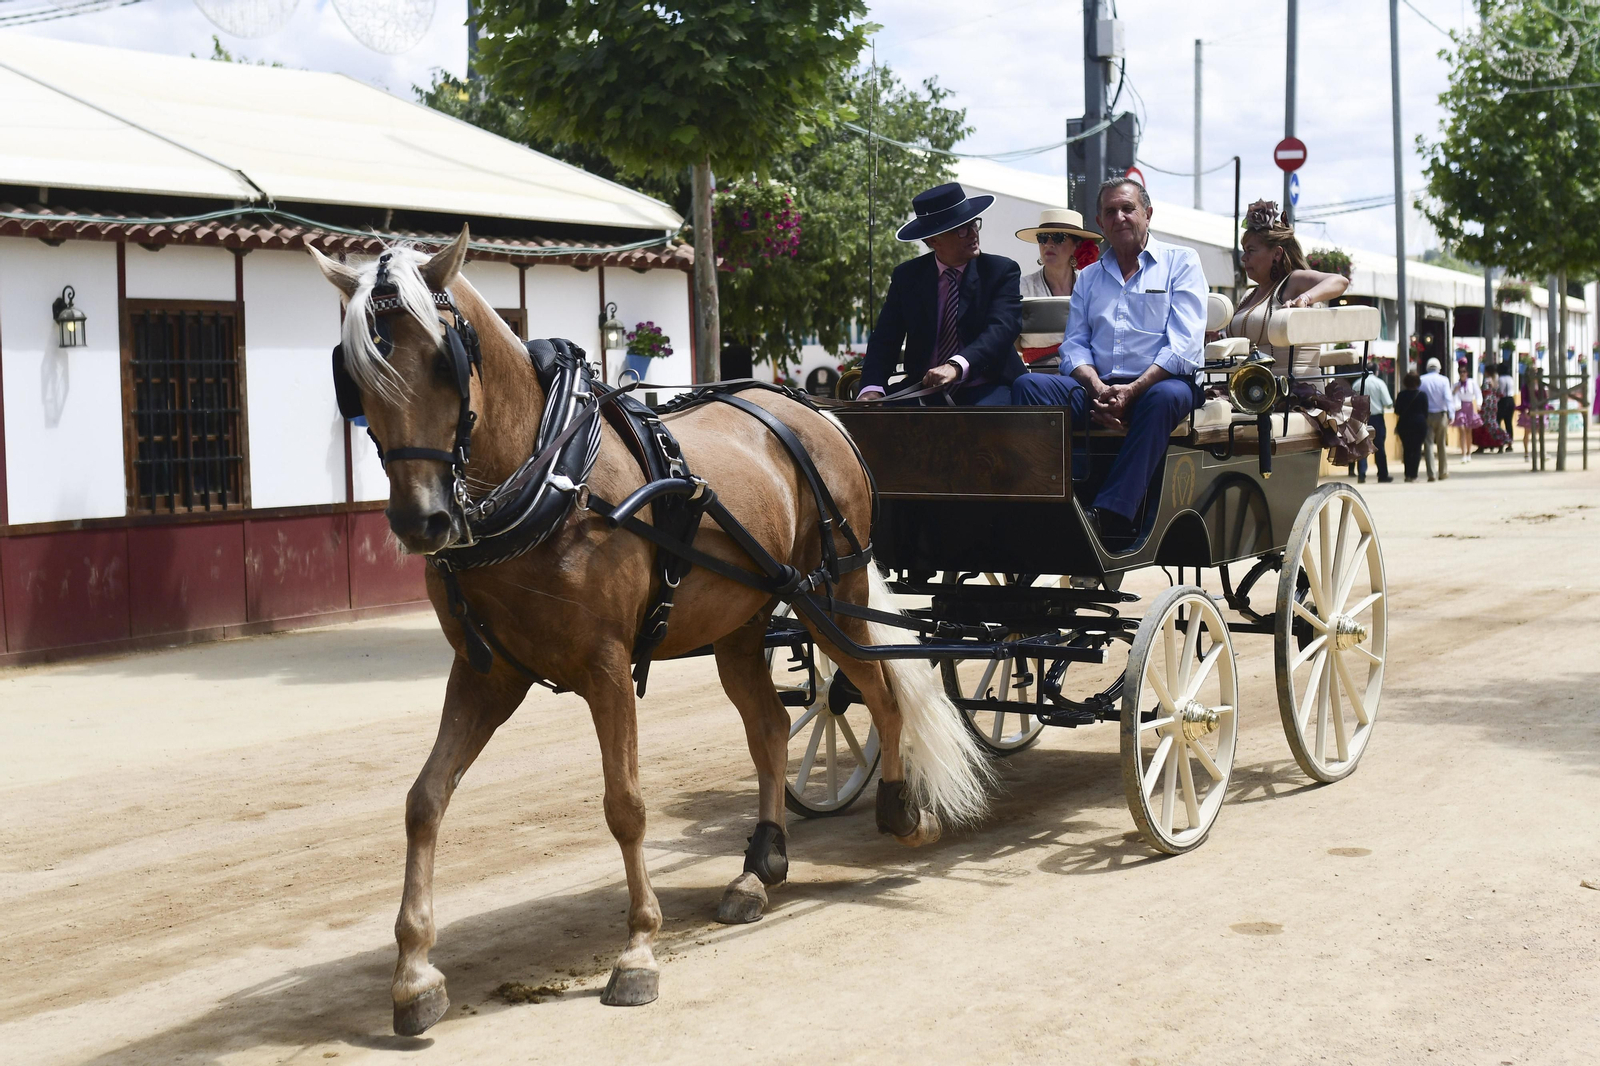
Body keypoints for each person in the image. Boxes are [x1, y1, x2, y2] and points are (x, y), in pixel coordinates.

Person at [1009, 177, 1207, 550]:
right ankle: (1046, 502)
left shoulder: (1181, 262)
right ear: (1100, 224)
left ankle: (1112, 513)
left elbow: (1184, 347)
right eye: (1110, 211)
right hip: (1100, 388)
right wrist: (1099, 389)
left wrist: (1132, 391)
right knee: (1028, 386)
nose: (1120, 217)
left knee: (1161, 398)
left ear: (1148, 214)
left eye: (1128, 208)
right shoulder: (1091, 278)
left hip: (1162, 385)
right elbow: (1074, 347)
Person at [858, 182, 1022, 405]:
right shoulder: (907, 277)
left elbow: (1002, 329)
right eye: (962, 229)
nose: (973, 234)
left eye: (974, 224)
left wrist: (957, 365)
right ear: (933, 240)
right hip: (924, 389)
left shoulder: (1000, 271)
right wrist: (872, 388)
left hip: (987, 386)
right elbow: (886, 338)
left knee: (981, 428)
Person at [1227, 200, 1351, 383]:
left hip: (1293, 394)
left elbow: (1340, 281)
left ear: (1277, 254)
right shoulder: (1248, 296)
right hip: (1251, 392)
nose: (1244, 258)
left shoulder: (1292, 282)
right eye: (1244, 251)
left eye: (1251, 251)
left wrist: (1305, 297)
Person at [1015, 208, 1100, 298]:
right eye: (1042, 238)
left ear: (1077, 245)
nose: (1048, 244)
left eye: (1058, 237)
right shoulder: (1022, 289)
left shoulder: (1091, 289)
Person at [1418, 356, 1455, 481]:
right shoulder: (1444, 380)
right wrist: (1452, 414)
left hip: (1427, 415)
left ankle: (1431, 474)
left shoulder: (1422, 380)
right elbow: (1448, 398)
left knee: (1428, 445)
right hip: (1441, 415)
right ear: (1439, 368)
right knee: (1441, 444)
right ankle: (1443, 472)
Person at [1354, 369, 1394, 483]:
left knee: (1362, 445)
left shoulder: (1357, 383)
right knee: (1379, 447)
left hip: (1360, 418)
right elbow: (1388, 402)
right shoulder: (1379, 383)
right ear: (1376, 371)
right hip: (1376, 418)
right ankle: (1382, 474)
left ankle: (1361, 474)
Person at [1393, 371, 1430, 482]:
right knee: (1417, 449)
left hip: (1404, 424)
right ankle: (1414, 475)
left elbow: (1397, 411)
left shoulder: (1401, 395)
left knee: (1407, 449)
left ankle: (1407, 474)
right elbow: (1426, 412)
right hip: (1419, 424)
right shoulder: (1422, 395)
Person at [1451, 359, 1484, 462]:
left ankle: (1469, 452)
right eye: (1460, 372)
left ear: (1467, 373)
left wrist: (1478, 404)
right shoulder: (1456, 385)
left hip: (1469, 406)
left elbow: (1478, 394)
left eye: (1464, 372)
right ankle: (1463, 453)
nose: (1462, 374)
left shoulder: (1472, 383)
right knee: (1461, 430)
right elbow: (1450, 396)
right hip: (1460, 407)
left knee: (1469, 430)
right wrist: (1454, 392)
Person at [1497, 360, 1517, 448]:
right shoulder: (1510, 378)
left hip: (1503, 400)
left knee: (1498, 422)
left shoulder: (1500, 379)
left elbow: (1500, 392)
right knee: (1508, 422)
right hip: (1511, 400)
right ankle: (1510, 443)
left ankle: (1500, 442)